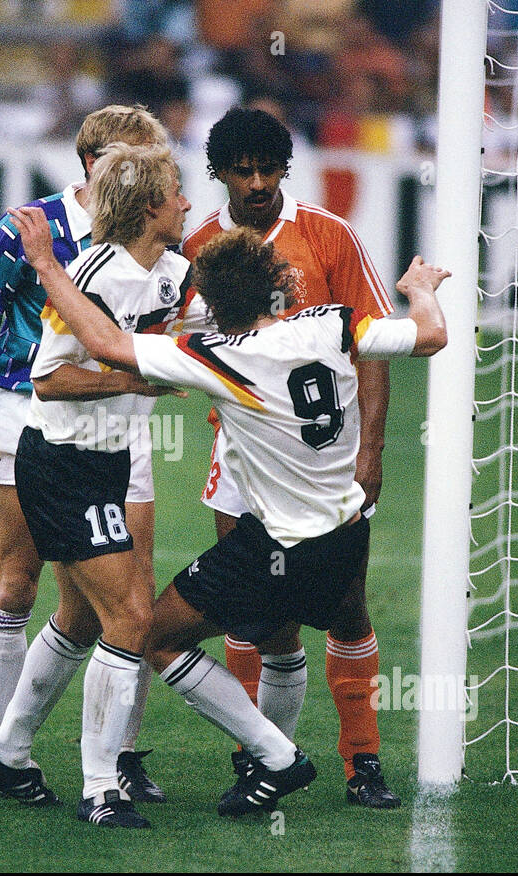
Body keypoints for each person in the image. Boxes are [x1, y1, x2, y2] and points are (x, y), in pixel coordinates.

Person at [9, 209, 449, 816]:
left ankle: (275, 755)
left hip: (277, 548)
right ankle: (280, 767)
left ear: (214, 306)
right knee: (294, 639)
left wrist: (47, 266)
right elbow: (430, 337)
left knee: (153, 635)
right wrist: (421, 289)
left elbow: (106, 343)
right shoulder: (334, 323)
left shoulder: (216, 357)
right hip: (349, 535)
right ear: (280, 283)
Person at [0, 106, 172, 803]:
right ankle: (5, 753)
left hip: (124, 419)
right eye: (136, 159)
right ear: (93, 161)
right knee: (18, 579)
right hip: (26, 412)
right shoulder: (31, 228)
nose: (152, 175)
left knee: (134, 588)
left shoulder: (155, 239)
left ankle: (120, 756)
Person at [181, 106, 402, 807]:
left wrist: (370, 448)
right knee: (254, 617)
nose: (255, 182)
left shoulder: (329, 236)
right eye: (241, 170)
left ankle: (361, 760)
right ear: (219, 173)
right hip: (240, 457)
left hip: (322, 463)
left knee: (345, 608)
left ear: (285, 167)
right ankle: (260, 756)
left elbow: (373, 345)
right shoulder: (197, 247)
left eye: (267, 168)